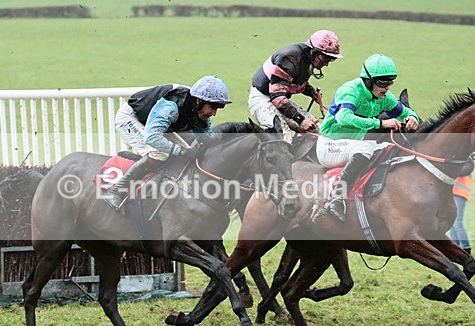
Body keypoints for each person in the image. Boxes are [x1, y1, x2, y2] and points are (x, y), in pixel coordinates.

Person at [315, 53, 421, 220]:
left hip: (351, 146)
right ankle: (336, 198)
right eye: (382, 83)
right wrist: (380, 124)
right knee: (365, 147)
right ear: (368, 80)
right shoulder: (350, 91)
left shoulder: (384, 98)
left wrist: (414, 118)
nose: (387, 88)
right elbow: (344, 118)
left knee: (390, 149)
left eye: (390, 82)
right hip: (329, 146)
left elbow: (405, 112)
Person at [106, 75, 231, 209]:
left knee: (187, 155)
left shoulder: (200, 111)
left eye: (217, 108)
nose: (214, 113)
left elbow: (205, 139)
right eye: (212, 107)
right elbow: (152, 137)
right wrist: (181, 151)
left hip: (157, 127)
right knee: (161, 153)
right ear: (198, 101)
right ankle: (116, 190)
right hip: (131, 119)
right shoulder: (171, 106)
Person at [249, 30, 343, 142]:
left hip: (279, 101)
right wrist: (301, 120)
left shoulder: (306, 59)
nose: (327, 63)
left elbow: (293, 82)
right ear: (313, 51)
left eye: (331, 59)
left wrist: (311, 92)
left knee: (318, 129)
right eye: (325, 58)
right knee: (285, 138)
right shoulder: (289, 58)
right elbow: (277, 97)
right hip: (262, 100)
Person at [448, 165, 474, 253]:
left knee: (457, 223)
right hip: (452, 192)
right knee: (452, 223)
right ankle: (455, 248)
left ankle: (466, 248)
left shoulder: (468, 159)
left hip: (459, 193)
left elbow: (464, 170)